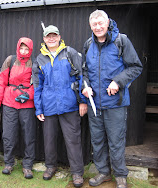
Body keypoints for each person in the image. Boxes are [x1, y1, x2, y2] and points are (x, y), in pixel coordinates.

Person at [82, 10, 143, 188]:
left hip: (115, 103)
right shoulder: (88, 44)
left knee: (116, 140)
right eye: (94, 24)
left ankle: (120, 175)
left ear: (107, 22)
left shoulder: (121, 41)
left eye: (101, 23)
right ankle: (103, 172)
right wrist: (85, 87)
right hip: (95, 105)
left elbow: (135, 66)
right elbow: (84, 71)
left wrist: (118, 81)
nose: (98, 27)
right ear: (90, 26)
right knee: (98, 140)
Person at [32, 25, 87, 187]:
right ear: (44, 39)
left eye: (54, 35)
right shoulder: (40, 59)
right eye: (48, 36)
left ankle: (77, 172)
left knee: (73, 140)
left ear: (59, 37)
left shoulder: (69, 53)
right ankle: (50, 166)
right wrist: (39, 108)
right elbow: (38, 86)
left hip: (69, 105)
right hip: (48, 106)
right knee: (49, 140)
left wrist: (83, 101)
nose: (51, 38)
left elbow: (82, 77)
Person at [0, 37, 36, 179]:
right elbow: (0, 82)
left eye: (26, 49)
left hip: (27, 105)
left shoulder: (34, 63)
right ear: (18, 48)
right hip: (9, 103)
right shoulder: (10, 61)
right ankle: (8, 163)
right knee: (8, 135)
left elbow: (38, 84)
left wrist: (28, 95)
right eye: (21, 48)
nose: (23, 51)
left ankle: (27, 166)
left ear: (30, 50)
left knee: (29, 136)